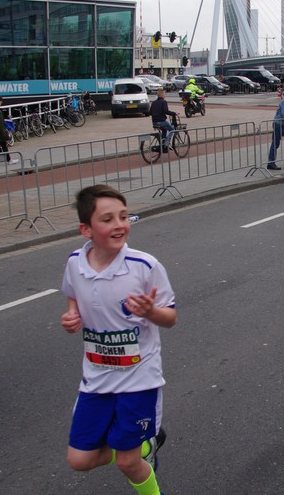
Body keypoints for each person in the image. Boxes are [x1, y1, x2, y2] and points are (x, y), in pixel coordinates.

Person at [60, 185, 175, 495]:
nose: (119, 225)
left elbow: (171, 317)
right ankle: (145, 444)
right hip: (96, 378)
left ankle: (140, 457)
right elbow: (72, 295)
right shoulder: (75, 262)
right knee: (79, 460)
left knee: (127, 462)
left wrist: (151, 312)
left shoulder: (144, 266)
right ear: (86, 229)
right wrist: (72, 316)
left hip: (139, 379)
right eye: (107, 219)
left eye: (124, 217)